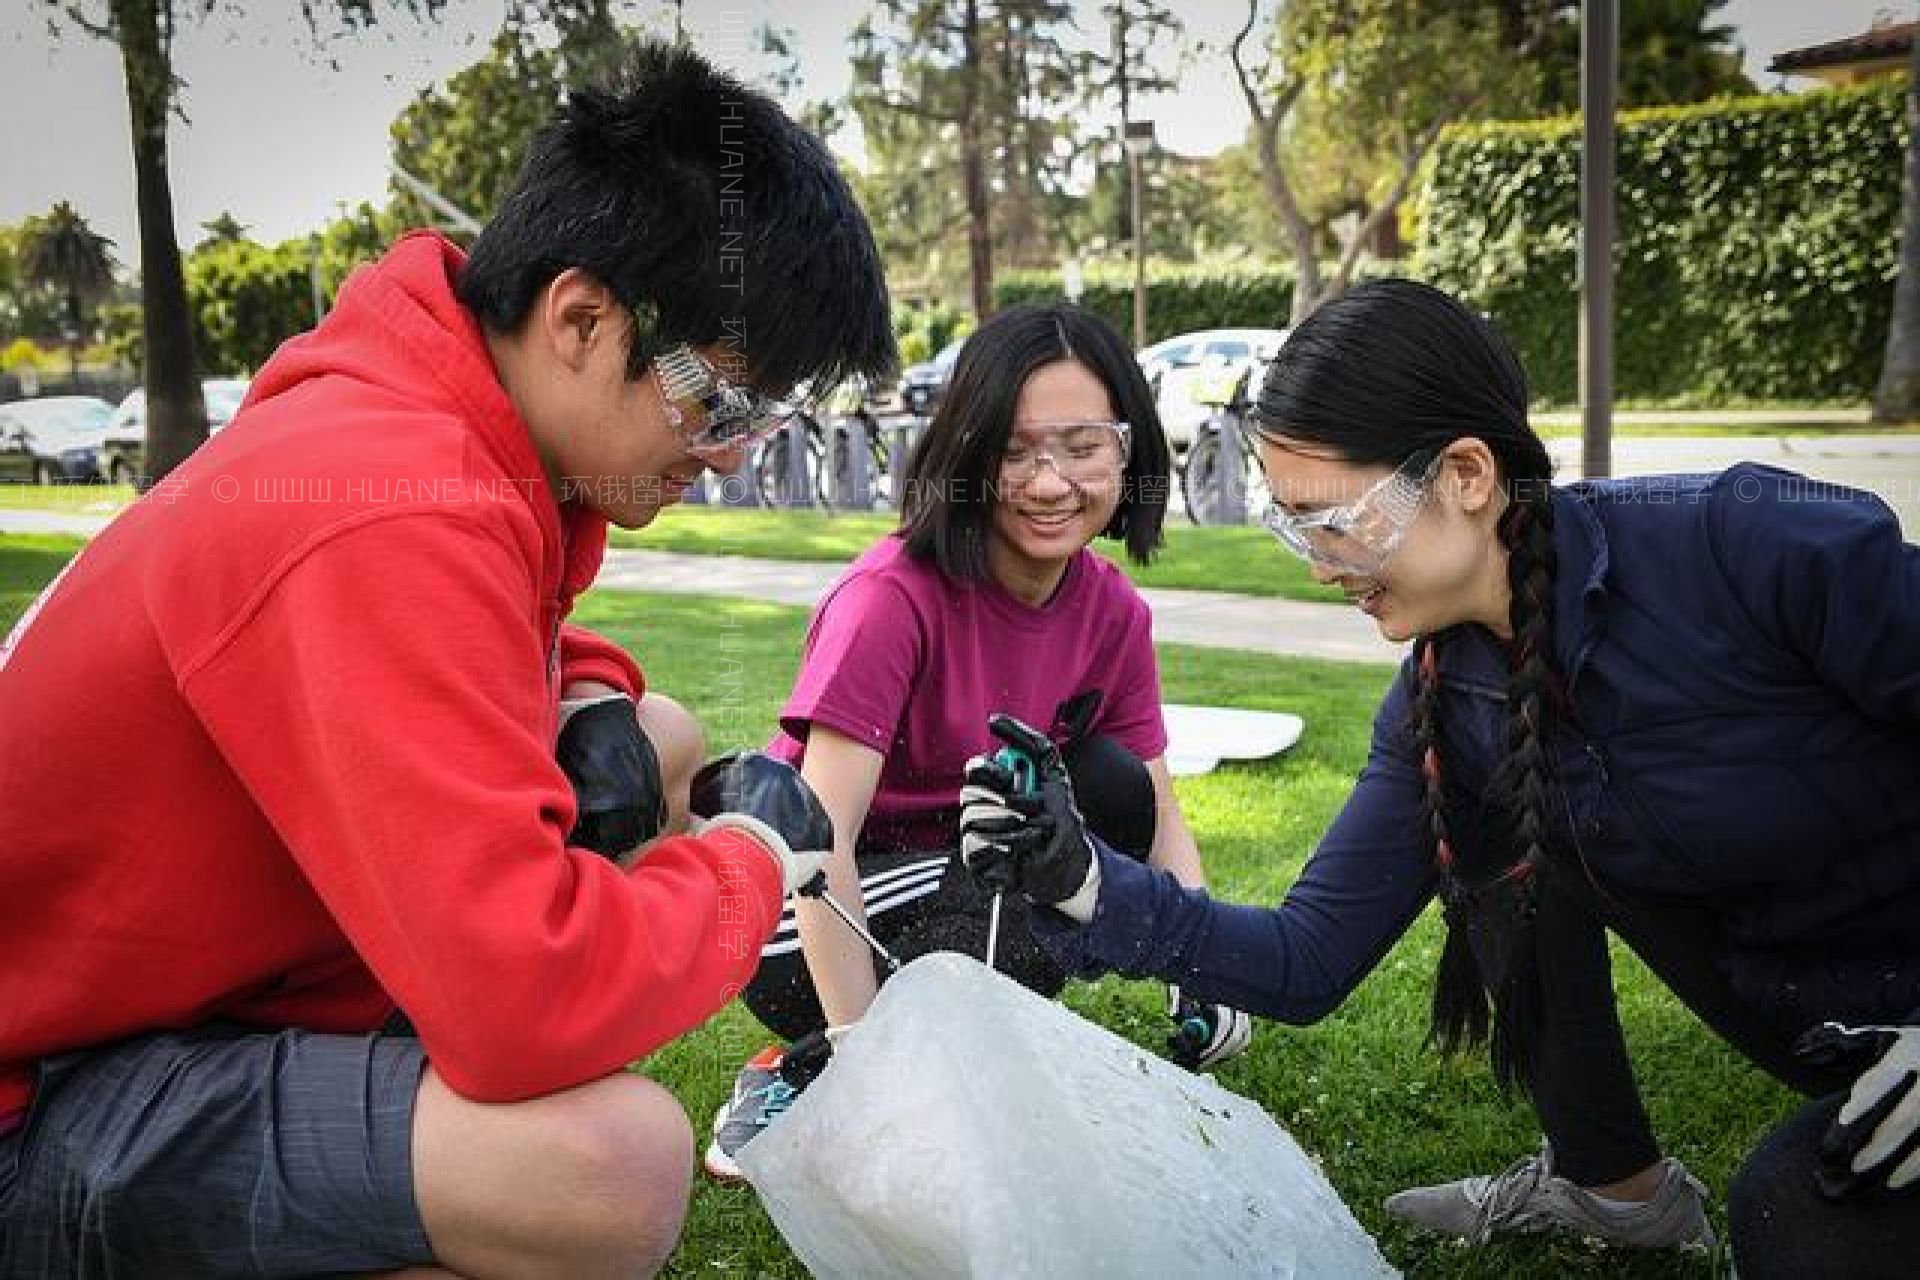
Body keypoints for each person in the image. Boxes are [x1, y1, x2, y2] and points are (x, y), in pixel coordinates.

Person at [0, 42, 894, 1278]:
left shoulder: (418, 422)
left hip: (150, 1013)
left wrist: (593, 690)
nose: (732, 457)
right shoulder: (391, 502)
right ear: (581, 318)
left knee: (662, 733)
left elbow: (490, 645)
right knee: (606, 1167)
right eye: (717, 408)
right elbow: (520, 1009)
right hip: (43, 1099)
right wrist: (746, 862)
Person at [958, 279, 1920, 1273]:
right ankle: (1614, 1185)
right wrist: (1082, 878)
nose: (1318, 566)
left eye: (1331, 520)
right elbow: (1304, 956)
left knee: (1790, 1217)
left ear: (1465, 471)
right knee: (1502, 829)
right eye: (1290, 526)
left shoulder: (1747, 542)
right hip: (1844, 1051)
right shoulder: (1445, 697)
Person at [701, 304, 1255, 1179]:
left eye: (1081, 446)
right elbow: (820, 839)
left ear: (1129, 448)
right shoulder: (890, 598)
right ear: (965, 450)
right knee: (1008, 870)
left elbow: (1153, 809)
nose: (1048, 482)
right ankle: (803, 1068)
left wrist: (1207, 969)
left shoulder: (1112, 611)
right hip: (791, 910)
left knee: (1102, 794)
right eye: (1014, 449)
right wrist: (863, 1063)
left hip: (954, 885)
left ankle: (957, 1046)